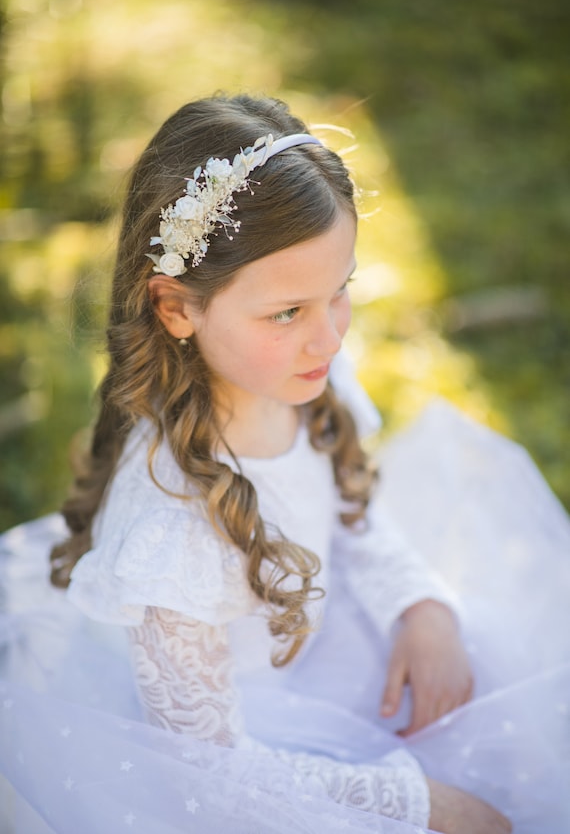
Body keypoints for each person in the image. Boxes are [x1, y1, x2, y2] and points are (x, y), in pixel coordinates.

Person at [1, 94, 569, 834]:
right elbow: (210, 776)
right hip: (233, 749)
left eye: (342, 293)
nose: (329, 339)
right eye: (288, 312)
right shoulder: (171, 529)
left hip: (323, 648)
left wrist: (418, 604)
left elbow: (350, 512)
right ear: (176, 308)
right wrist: (418, 801)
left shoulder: (294, 369)